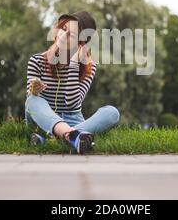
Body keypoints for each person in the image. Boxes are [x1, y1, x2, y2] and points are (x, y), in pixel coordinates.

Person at [25, 11, 120, 154]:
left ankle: (57, 139)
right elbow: (31, 101)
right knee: (32, 100)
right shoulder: (36, 61)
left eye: (72, 35)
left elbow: (72, 103)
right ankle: (73, 137)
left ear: (80, 44)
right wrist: (35, 90)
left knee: (112, 113)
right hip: (43, 122)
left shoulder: (89, 67)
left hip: (74, 121)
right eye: (64, 29)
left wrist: (74, 64)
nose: (63, 36)